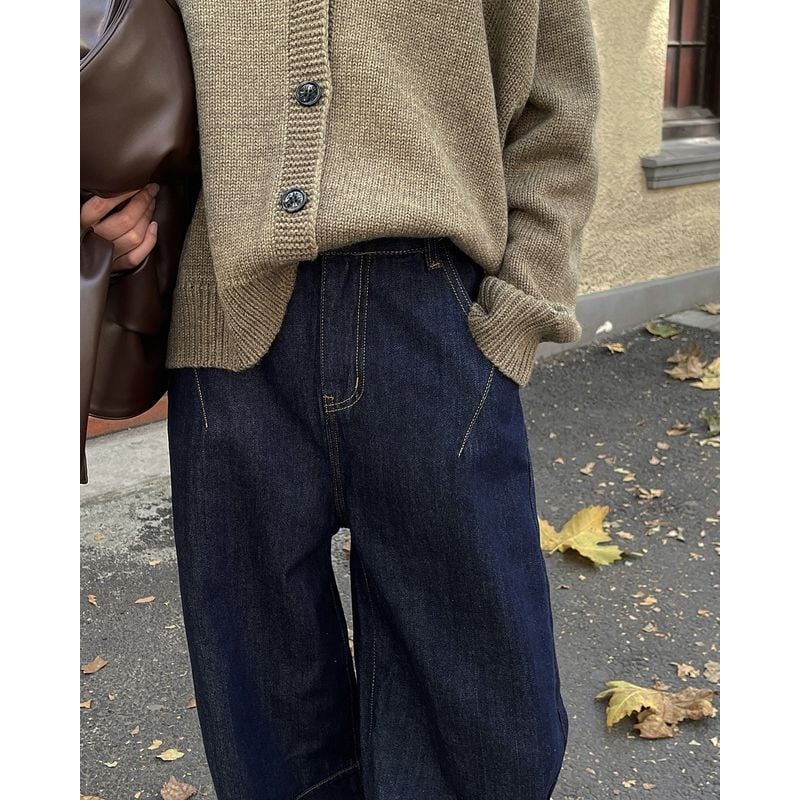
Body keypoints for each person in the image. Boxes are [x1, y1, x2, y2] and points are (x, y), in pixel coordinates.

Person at [81, 1, 601, 797]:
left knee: (488, 724)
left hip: (436, 322)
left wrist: (520, 309)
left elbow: (555, 106)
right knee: (265, 722)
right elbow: (111, 58)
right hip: (226, 330)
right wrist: (113, 194)